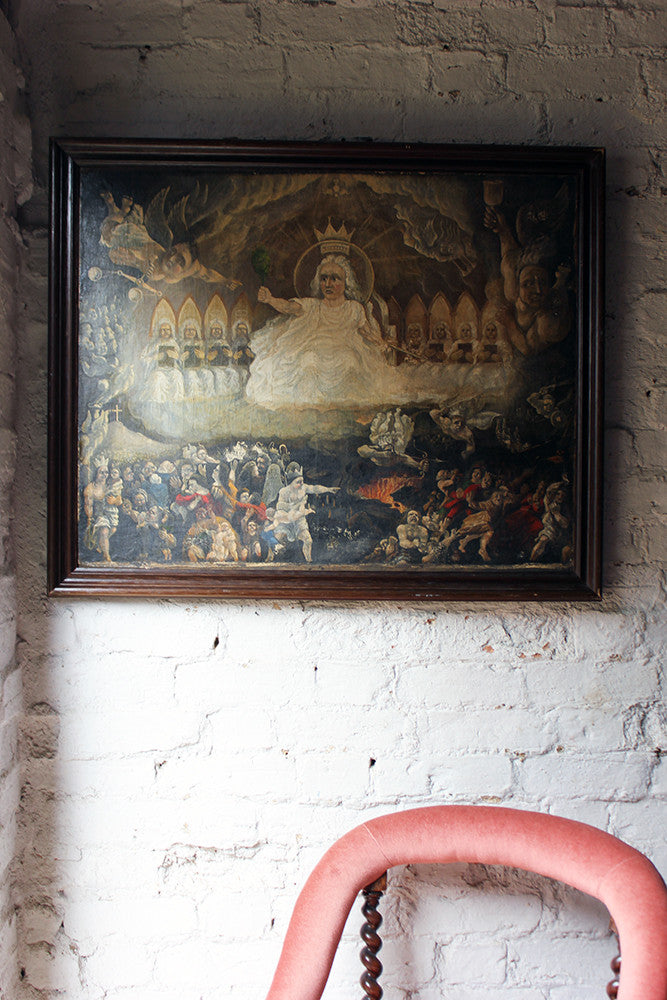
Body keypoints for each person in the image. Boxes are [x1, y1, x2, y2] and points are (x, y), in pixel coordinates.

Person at [246, 253, 386, 408]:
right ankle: (309, 406)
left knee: (349, 360)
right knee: (309, 359)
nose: (328, 284)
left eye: (335, 279)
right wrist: (270, 299)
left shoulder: (354, 308)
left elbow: (367, 332)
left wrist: (381, 342)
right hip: (315, 351)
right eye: (324, 278)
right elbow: (288, 307)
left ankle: (347, 407)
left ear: (346, 282)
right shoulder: (312, 305)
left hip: (345, 352)